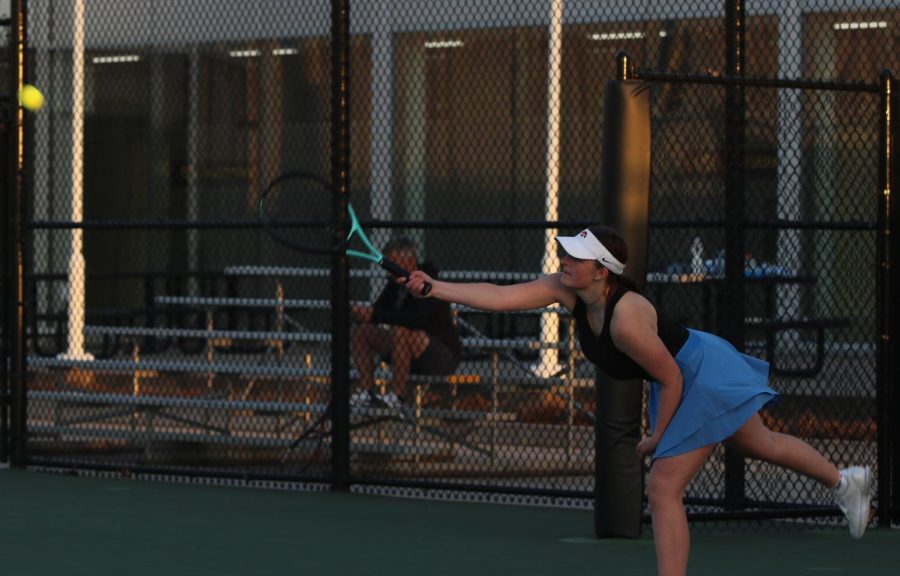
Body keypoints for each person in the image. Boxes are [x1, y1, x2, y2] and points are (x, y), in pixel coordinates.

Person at [405, 225, 872, 576]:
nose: (565, 259)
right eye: (566, 252)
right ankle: (846, 482)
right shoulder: (566, 289)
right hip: (683, 370)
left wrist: (656, 436)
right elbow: (502, 296)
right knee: (760, 443)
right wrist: (437, 288)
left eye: (577, 256)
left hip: (697, 373)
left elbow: (671, 379)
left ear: (602, 269)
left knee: (664, 486)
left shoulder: (626, 318)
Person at [350, 236, 461, 409]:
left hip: (439, 354)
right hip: (403, 351)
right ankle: (367, 391)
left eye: (393, 262)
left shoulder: (427, 280)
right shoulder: (395, 283)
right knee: (360, 331)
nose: (388, 268)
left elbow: (416, 320)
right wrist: (364, 313)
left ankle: (397, 396)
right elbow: (379, 311)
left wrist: (376, 314)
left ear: (409, 260)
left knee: (401, 330)